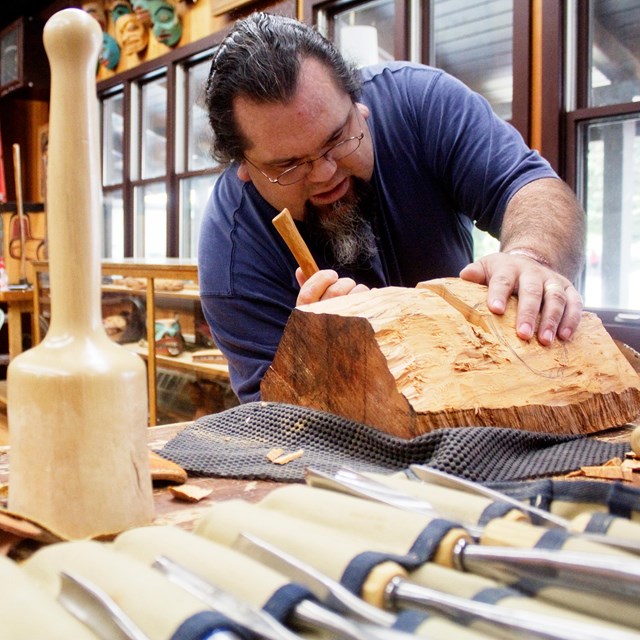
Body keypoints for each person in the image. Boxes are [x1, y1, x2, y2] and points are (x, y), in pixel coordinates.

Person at [198, 12, 586, 404]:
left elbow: (531, 186)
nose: (325, 173)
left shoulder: (421, 103)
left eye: (337, 139)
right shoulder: (232, 253)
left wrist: (531, 257)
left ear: (359, 104)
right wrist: (320, 358)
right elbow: (277, 422)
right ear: (243, 167)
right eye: (290, 165)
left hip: (476, 386)